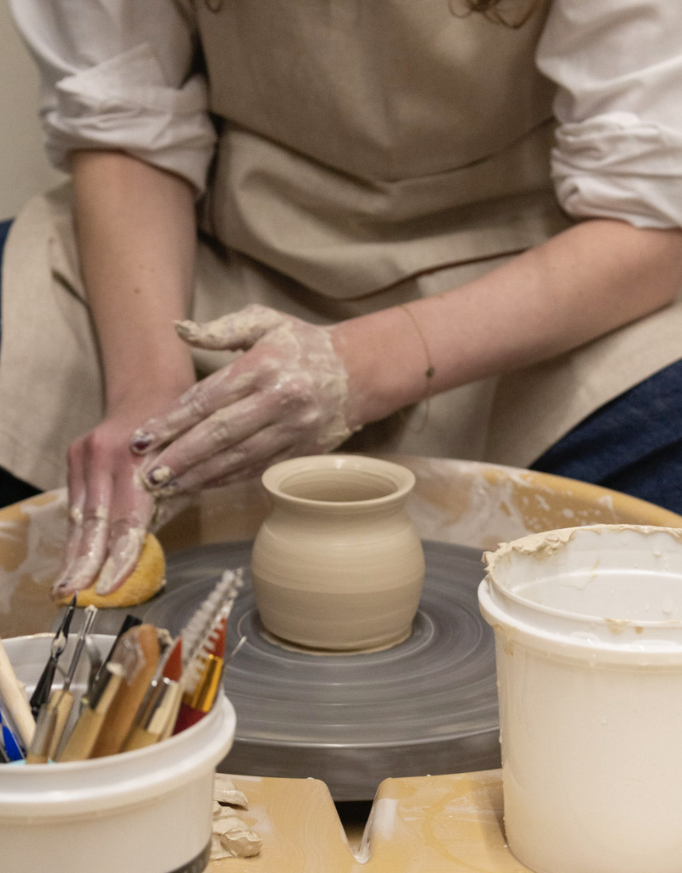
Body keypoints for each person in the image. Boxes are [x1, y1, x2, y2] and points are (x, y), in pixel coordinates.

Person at [2, 0, 682, 600]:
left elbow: (651, 209)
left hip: (534, 268)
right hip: (227, 244)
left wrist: (359, 368)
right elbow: (126, 120)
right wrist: (149, 394)